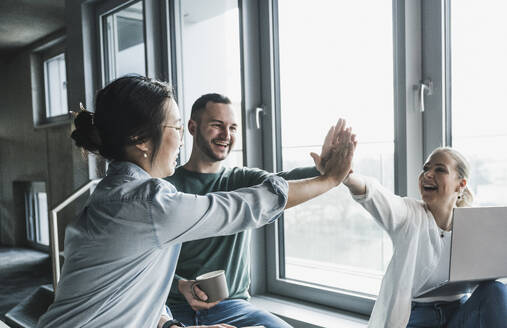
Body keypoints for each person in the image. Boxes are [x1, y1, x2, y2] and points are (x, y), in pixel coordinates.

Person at [36, 76, 356, 328]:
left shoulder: (112, 194)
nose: (179, 138)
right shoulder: (147, 202)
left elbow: (129, 290)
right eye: (175, 126)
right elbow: (240, 207)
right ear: (140, 140)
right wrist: (327, 179)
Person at [162, 93, 343, 328]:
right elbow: (147, 260)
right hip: (174, 307)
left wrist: (323, 170)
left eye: (233, 128)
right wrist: (181, 284)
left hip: (232, 307)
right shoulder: (165, 186)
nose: (226, 135)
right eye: (217, 125)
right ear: (192, 127)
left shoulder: (242, 180)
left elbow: (283, 184)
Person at [343, 147, 507, 328]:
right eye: (426, 168)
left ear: (460, 184)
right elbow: (374, 194)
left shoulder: (473, 226)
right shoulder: (408, 214)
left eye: (440, 169)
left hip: (458, 315)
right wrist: (347, 177)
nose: (427, 174)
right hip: (417, 318)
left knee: (496, 290)